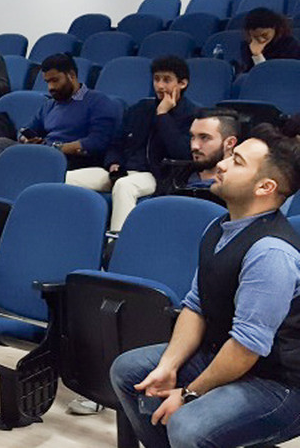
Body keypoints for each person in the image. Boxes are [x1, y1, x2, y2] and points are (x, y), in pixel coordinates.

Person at [109, 124, 300, 448]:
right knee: (129, 372)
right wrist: (168, 367)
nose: (222, 164)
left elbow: (245, 347)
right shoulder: (219, 226)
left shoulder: (271, 253)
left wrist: (188, 394)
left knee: (189, 425)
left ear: (265, 186)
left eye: (237, 162)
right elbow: (196, 305)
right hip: (224, 356)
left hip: (280, 384)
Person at [66, 56, 197, 232]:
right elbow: (116, 142)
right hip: (123, 170)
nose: (159, 86)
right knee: (67, 178)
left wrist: (163, 115)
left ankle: (117, 242)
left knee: (124, 186)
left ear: (182, 83)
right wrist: (113, 163)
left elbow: (180, 151)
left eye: (166, 80)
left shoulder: (192, 114)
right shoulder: (140, 109)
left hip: (159, 175)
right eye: (156, 79)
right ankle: (72, 231)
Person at [0, 53, 120, 179]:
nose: (50, 87)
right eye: (47, 82)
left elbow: (98, 141)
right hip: (44, 152)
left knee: (29, 162)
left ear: (71, 75)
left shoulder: (97, 101)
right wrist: (26, 139)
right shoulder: (50, 105)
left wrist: (58, 148)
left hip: (72, 159)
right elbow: (27, 128)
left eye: (55, 80)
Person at [235, 7, 300, 74]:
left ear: (275, 28)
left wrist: (258, 57)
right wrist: (256, 55)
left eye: (264, 35)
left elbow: (282, 74)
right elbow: (250, 74)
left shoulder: (289, 44)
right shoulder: (247, 46)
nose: (261, 39)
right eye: (255, 36)